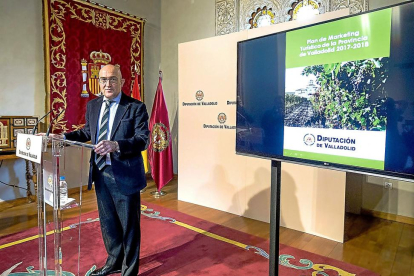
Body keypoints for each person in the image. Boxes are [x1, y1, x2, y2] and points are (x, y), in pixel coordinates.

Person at [51, 64, 149, 276]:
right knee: (108, 224)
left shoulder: (135, 107)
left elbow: (143, 140)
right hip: (100, 173)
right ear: (99, 82)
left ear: (122, 82)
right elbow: (87, 131)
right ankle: (114, 262)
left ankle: (129, 271)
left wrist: (116, 145)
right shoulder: (93, 106)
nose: (108, 84)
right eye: (103, 80)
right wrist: (64, 137)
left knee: (129, 226)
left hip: (125, 175)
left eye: (113, 79)